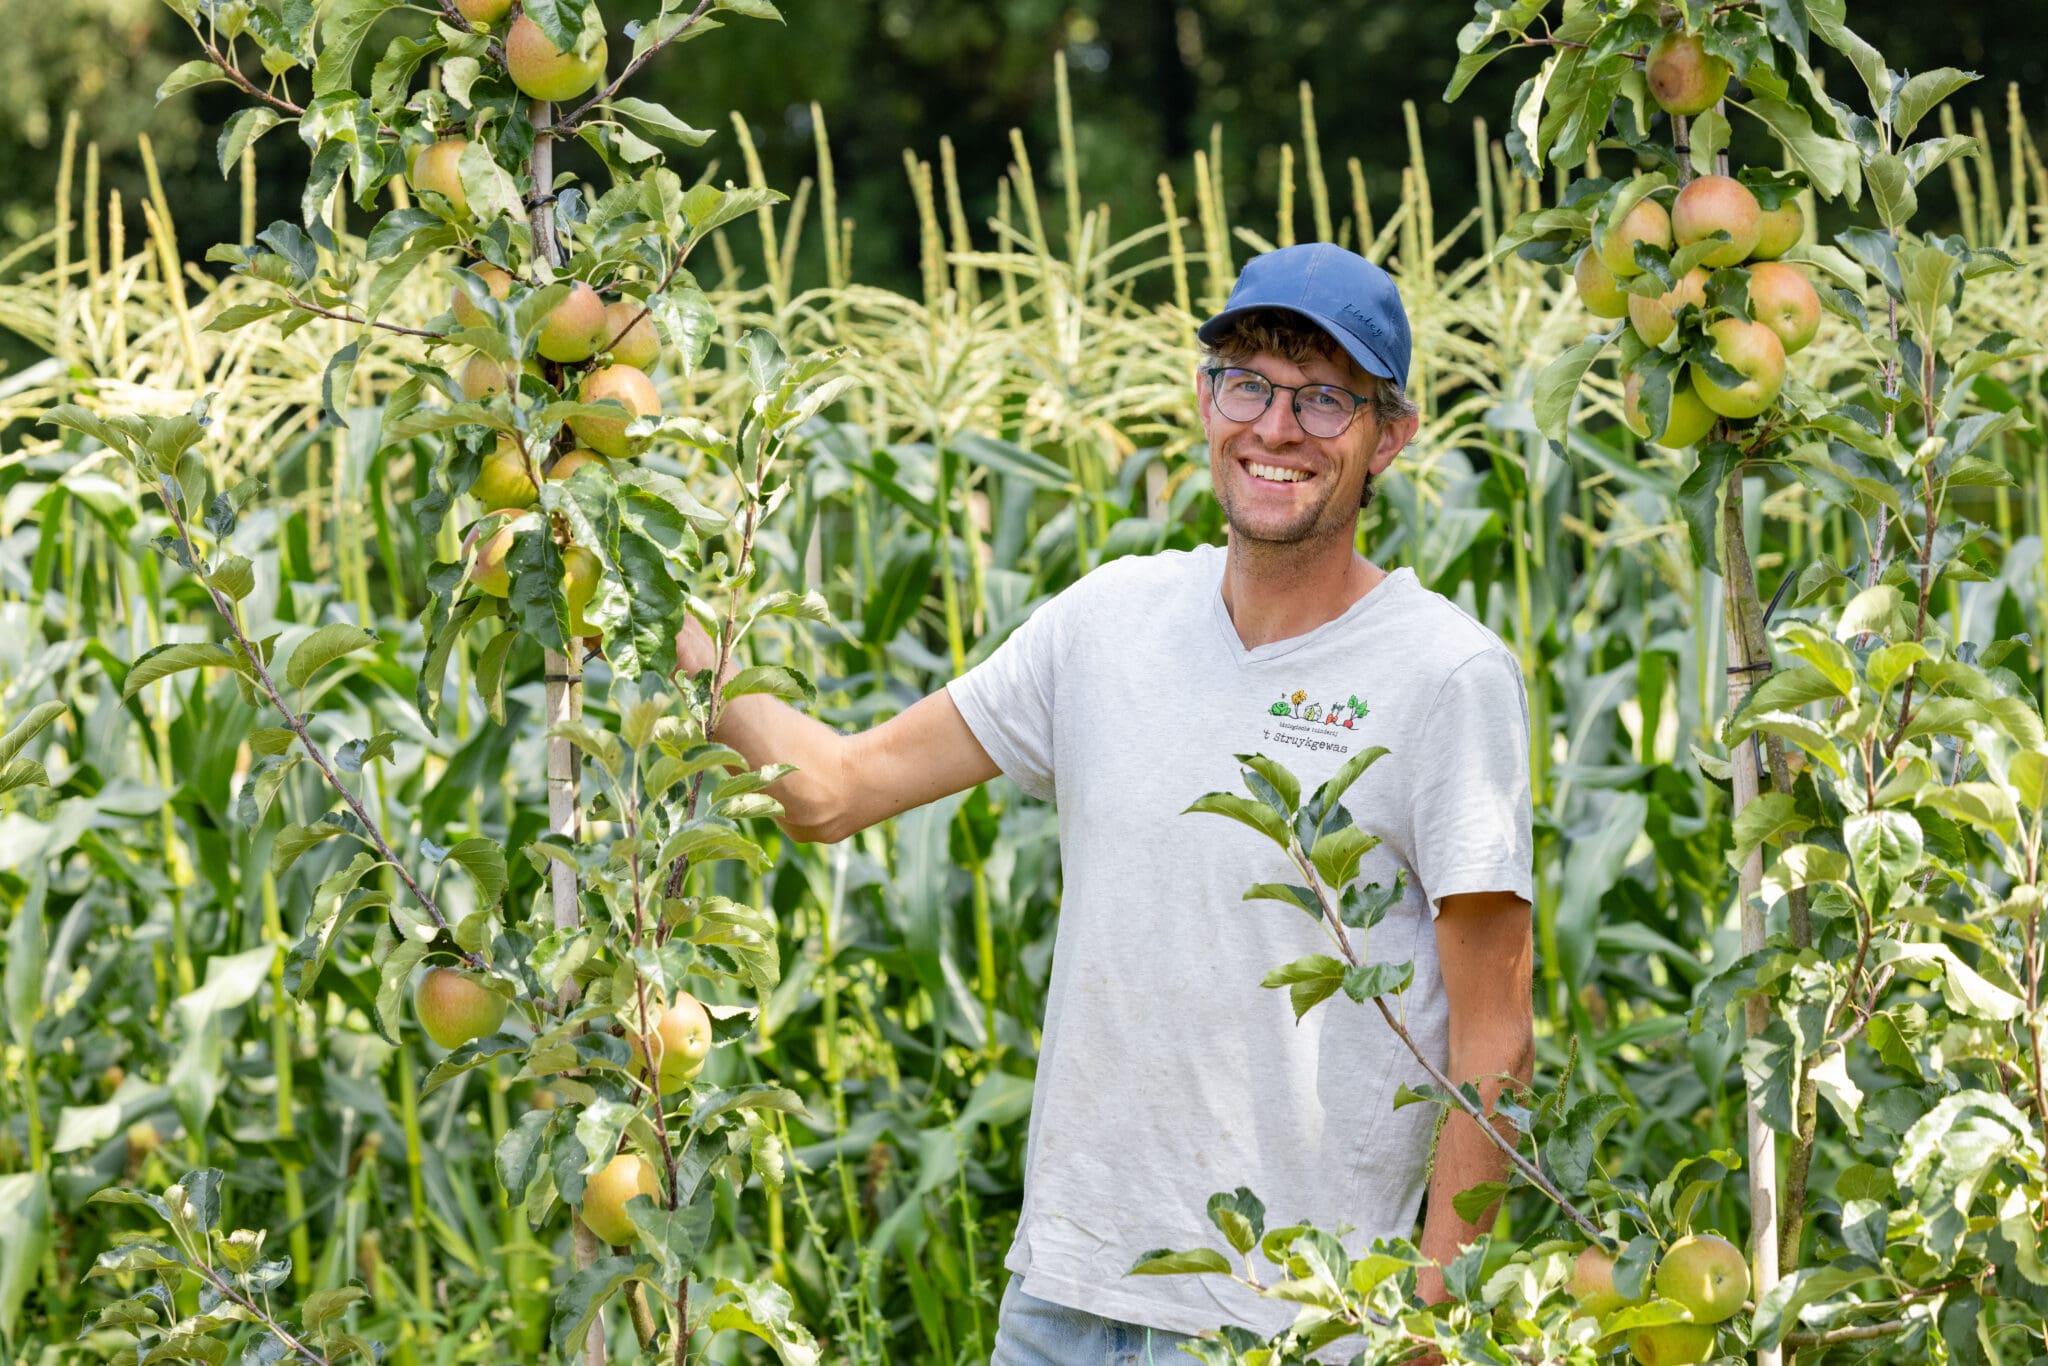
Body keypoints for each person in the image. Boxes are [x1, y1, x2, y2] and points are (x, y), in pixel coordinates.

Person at [674, 242, 1534, 1361]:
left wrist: (1432, 1318)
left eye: (1324, 398)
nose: (1276, 428)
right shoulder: (1107, 622)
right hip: (1062, 1298)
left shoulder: (1444, 675)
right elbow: (831, 791)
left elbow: (1493, 1037)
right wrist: (648, 601)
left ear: (1390, 435)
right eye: (1248, 383)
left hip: (1296, 1325)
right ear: (1202, 399)